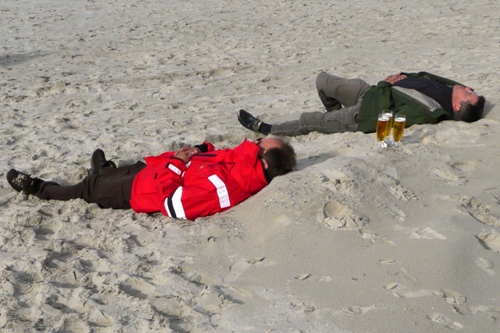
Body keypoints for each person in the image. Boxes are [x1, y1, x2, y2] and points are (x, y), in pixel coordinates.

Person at [6, 138, 296, 220]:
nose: (254, 140)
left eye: (260, 142)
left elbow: (174, 206)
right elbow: (217, 155)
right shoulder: (242, 163)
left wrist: (176, 167)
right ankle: (105, 170)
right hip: (149, 170)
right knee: (122, 169)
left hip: (138, 191)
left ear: (261, 158)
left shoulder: (229, 186)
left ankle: (39, 188)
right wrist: (199, 150)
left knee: (86, 190)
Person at [238, 71, 486, 136]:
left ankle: (268, 129)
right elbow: (420, 77)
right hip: (370, 92)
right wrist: (402, 76)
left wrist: (387, 84)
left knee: (308, 121)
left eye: (468, 94)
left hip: (365, 113)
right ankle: (333, 120)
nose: (468, 88)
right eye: (471, 90)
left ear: (456, 107)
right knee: (322, 81)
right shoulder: (446, 87)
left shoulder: (431, 112)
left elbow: (389, 118)